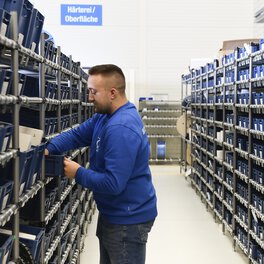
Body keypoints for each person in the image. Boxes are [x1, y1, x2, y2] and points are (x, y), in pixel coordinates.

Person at [45, 64, 158, 264]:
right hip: (113, 212)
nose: (89, 97)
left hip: (127, 220)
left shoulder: (121, 127)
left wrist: (77, 172)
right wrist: (49, 148)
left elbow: (113, 183)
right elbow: (78, 135)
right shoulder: (105, 116)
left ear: (112, 92)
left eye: (93, 92)